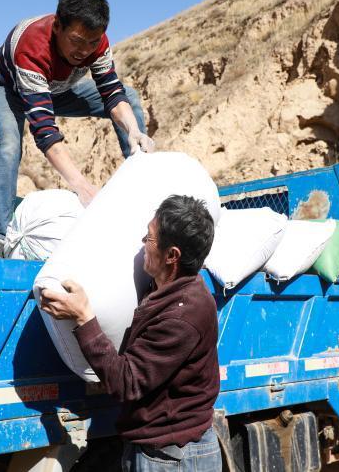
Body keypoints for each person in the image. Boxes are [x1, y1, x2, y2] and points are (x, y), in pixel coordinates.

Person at [39, 195, 222, 471]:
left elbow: (128, 383)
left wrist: (84, 318)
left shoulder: (182, 316)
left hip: (173, 459)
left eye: (150, 238)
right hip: (162, 449)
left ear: (172, 256)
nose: (143, 242)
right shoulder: (168, 289)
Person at [0, 0, 154, 258]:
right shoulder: (32, 46)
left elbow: (111, 92)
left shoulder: (97, 41)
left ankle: (145, 191)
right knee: (8, 140)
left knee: (128, 99)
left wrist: (134, 131)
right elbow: (44, 130)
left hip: (54, 89)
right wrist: (81, 186)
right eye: (77, 41)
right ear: (57, 27)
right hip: (6, 88)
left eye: (92, 42)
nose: (84, 50)